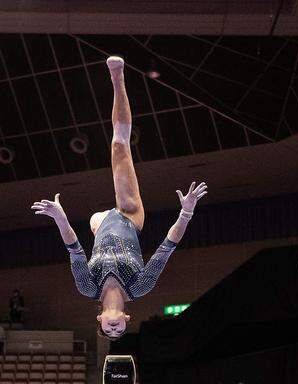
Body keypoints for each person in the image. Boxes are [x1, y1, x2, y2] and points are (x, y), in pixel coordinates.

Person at [31, 56, 208, 341]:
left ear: (99, 317)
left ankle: (116, 79)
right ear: (127, 318)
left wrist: (60, 217)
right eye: (119, 329)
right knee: (119, 144)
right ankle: (118, 76)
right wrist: (185, 213)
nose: (113, 328)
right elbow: (167, 247)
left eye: (107, 328)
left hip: (98, 225)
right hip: (128, 217)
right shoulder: (140, 286)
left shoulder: (87, 287)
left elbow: (74, 250)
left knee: (94, 220)